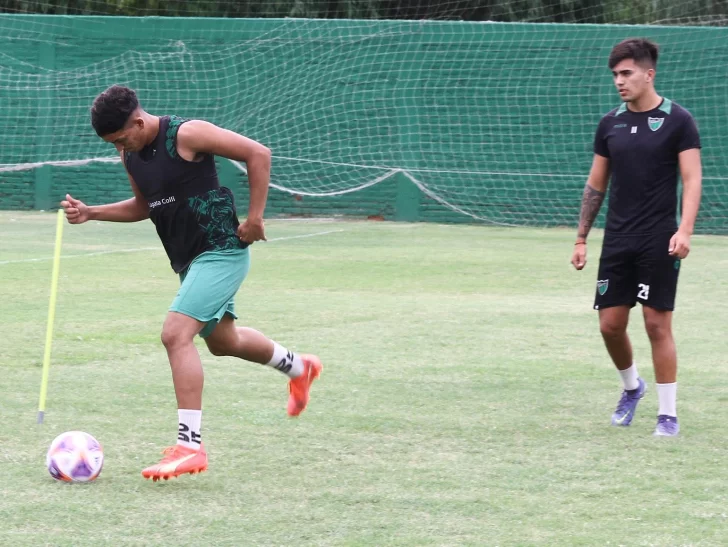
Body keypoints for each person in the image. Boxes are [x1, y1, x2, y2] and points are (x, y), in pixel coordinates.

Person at [61, 84, 322, 480]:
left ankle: (189, 447)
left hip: (221, 250)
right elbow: (146, 206)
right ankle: (299, 367)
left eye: (120, 137)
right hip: (189, 260)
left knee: (175, 334)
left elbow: (258, 153)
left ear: (137, 120)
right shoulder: (129, 154)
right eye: (112, 143)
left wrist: (254, 218)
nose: (119, 146)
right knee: (223, 342)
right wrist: (92, 212)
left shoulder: (186, 134)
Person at [571, 38, 702, 437]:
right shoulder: (610, 123)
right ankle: (632, 388)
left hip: (659, 237)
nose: (619, 81)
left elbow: (692, 178)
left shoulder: (679, 120)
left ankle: (668, 415)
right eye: (615, 75)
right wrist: (581, 238)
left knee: (656, 325)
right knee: (610, 325)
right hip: (618, 239)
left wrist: (685, 229)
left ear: (649, 74)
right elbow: (595, 185)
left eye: (626, 73)